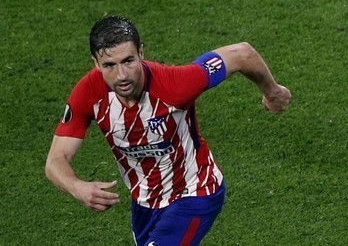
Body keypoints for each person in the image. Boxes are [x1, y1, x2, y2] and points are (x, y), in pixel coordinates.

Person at [45, 15, 292, 244]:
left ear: (141, 53)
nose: (121, 75)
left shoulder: (175, 85)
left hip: (195, 192)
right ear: (96, 63)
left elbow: (242, 54)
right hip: (144, 205)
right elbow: (55, 161)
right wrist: (76, 187)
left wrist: (273, 92)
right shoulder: (89, 93)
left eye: (128, 61)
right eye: (109, 65)